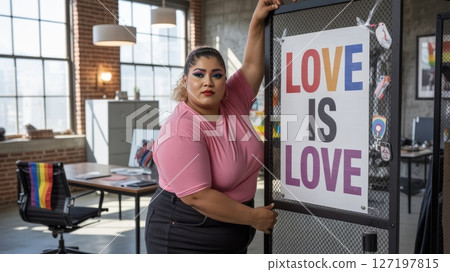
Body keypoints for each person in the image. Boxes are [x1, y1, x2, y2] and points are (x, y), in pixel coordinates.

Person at [145, 0, 281, 254]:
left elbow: (252, 65)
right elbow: (197, 197)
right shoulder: (180, 130)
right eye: (199, 74)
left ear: (224, 81)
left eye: (217, 75)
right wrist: (253, 217)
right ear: (185, 81)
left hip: (231, 236)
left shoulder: (232, 100)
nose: (208, 81)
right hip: (182, 237)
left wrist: (257, 18)